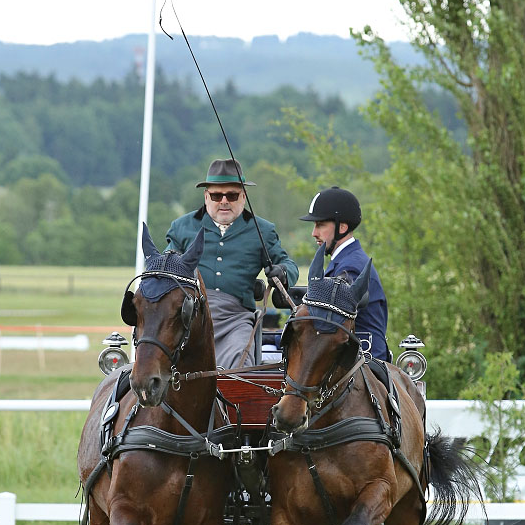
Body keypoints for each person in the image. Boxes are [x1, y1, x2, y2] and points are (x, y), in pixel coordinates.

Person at [166, 158, 299, 368]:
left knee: (240, 360)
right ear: (206, 196)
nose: (224, 201)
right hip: (189, 315)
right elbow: (164, 267)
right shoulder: (182, 227)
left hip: (236, 319)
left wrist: (282, 272)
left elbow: (288, 264)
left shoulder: (262, 230)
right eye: (217, 195)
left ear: (243, 197)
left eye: (232, 195)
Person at [300, 186, 390, 361]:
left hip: (363, 362)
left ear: (342, 227)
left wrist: (275, 337)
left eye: (320, 225)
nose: (314, 233)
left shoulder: (351, 267)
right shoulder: (345, 260)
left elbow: (326, 325)